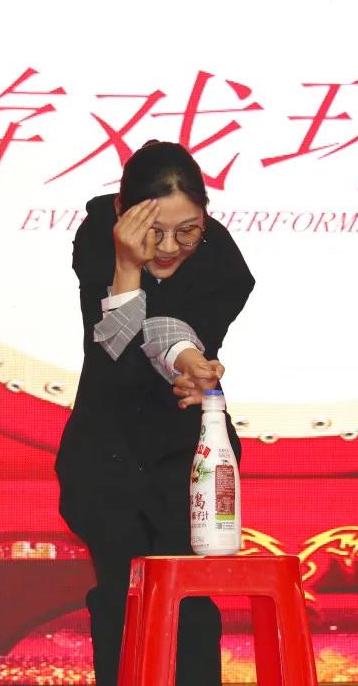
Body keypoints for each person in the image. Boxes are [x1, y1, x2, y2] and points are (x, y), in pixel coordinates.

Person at [56, 141, 255, 686]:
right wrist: (127, 264)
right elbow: (117, 357)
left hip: (187, 451)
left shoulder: (221, 260)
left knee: (191, 599)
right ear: (124, 212)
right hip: (108, 453)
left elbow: (174, 331)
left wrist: (192, 365)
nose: (169, 247)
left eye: (187, 230)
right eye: (154, 232)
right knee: (121, 599)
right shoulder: (99, 236)